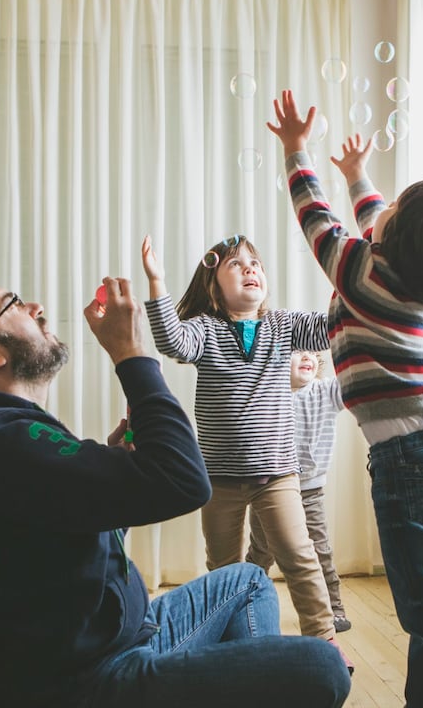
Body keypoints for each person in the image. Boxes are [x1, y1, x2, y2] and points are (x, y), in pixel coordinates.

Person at [0, 262, 351, 707]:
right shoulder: (0, 443)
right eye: (12, 304)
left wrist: (115, 472)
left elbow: (65, 535)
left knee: (248, 581)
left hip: (119, 640)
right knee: (323, 668)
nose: (35, 308)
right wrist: (130, 353)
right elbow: (186, 481)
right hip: (90, 685)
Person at [267, 90, 423, 708]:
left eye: (393, 207)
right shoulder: (409, 280)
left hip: (409, 463)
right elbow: (379, 219)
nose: (380, 207)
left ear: (393, 239)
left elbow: (316, 218)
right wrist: (357, 175)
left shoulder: (360, 270)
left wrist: (296, 150)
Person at [139, 235, 352, 667]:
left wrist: (350, 280)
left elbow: (332, 326)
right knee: (223, 568)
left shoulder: (282, 326)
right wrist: (157, 282)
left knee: (300, 556)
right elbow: (172, 342)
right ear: (214, 286)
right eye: (235, 264)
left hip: (278, 475)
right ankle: (228, 645)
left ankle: (324, 640)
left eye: (255, 262)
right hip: (219, 479)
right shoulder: (206, 329)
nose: (250, 268)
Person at [246, 350, 352, 633]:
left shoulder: (326, 391)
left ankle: (334, 608)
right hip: (270, 489)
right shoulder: (269, 393)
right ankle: (242, 604)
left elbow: (351, 380)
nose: (307, 357)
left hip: (310, 490)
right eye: (297, 352)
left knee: (320, 549)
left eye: (311, 353)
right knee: (261, 550)